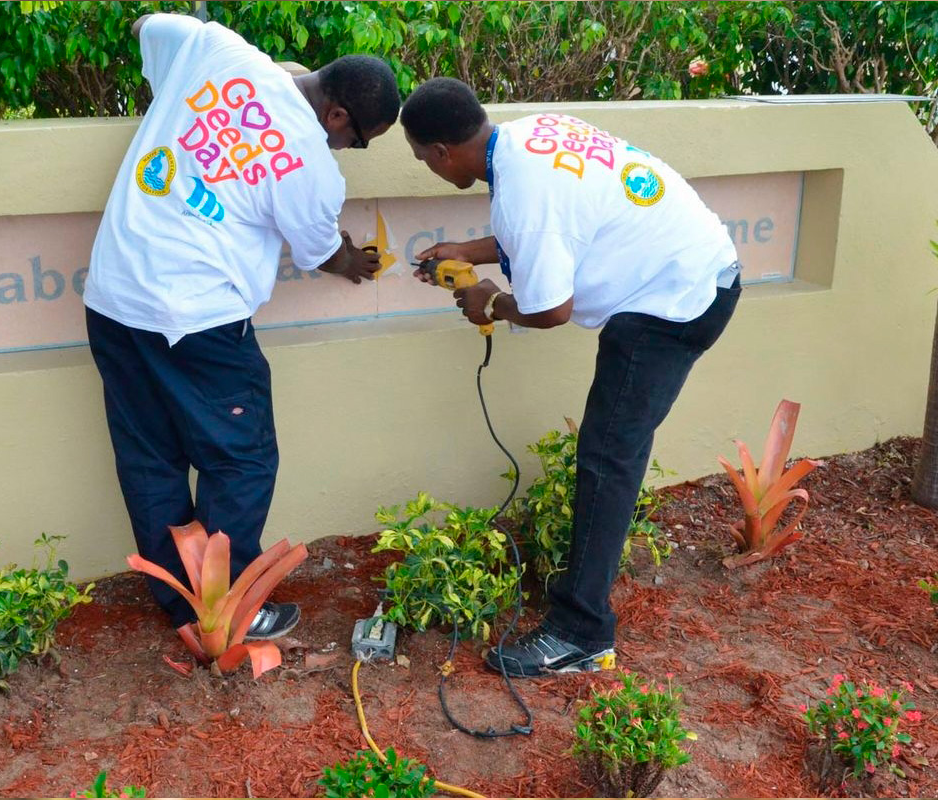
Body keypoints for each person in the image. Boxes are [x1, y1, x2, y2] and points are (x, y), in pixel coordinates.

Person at [399, 78, 741, 677]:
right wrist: (472, 251)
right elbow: (555, 226)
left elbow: (550, 310)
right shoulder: (529, 136)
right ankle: (584, 603)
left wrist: (489, 301)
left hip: (670, 304)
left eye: (422, 159)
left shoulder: (521, 197)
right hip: (697, 270)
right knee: (610, 451)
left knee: (608, 456)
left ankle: (579, 634)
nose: (427, 168)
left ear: (440, 152)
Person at [84, 13, 400, 640]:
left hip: (113, 296)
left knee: (150, 459)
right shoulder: (312, 164)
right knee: (241, 459)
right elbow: (319, 251)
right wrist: (354, 260)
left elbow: (148, 25)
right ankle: (227, 613)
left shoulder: (217, 47)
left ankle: (183, 611)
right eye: (360, 140)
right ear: (337, 117)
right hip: (198, 318)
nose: (350, 151)